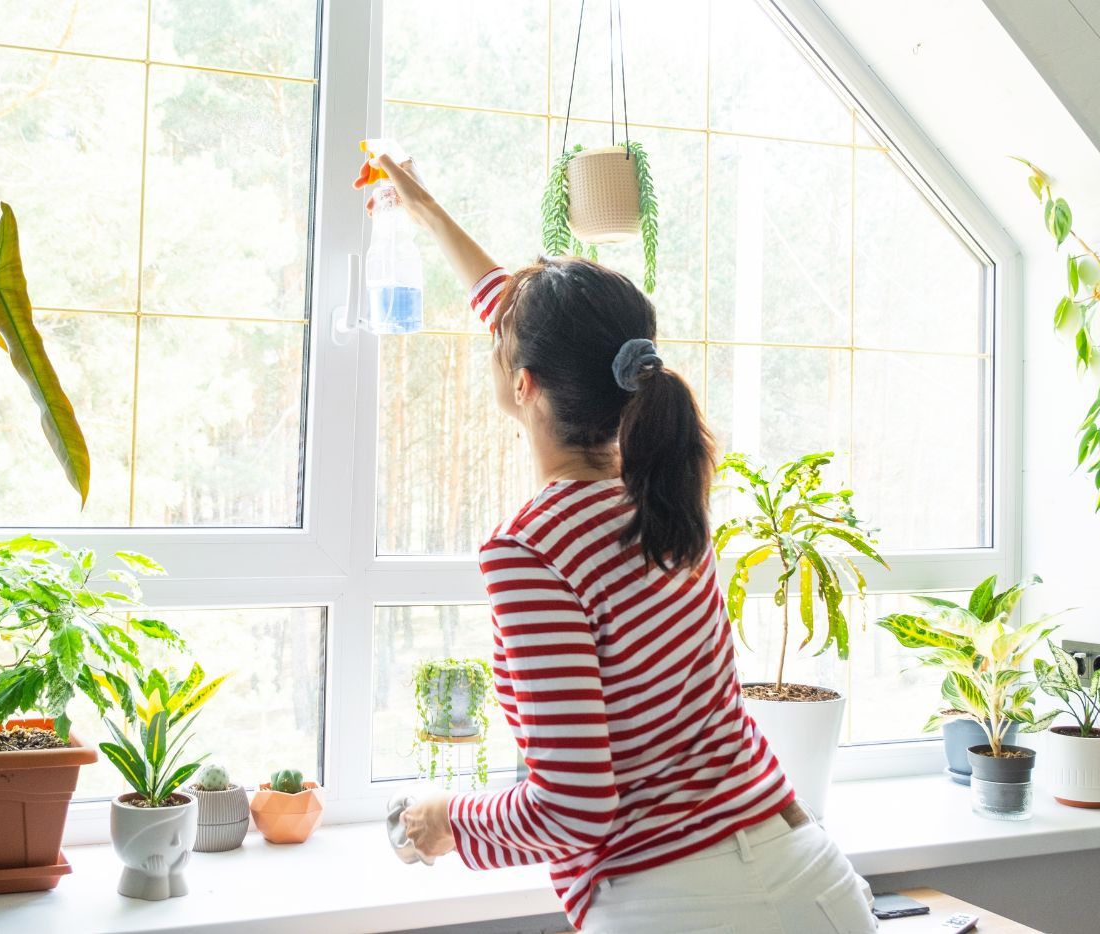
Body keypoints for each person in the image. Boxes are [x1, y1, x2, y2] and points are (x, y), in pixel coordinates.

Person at [355, 153, 877, 934]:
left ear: (524, 384)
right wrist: (425, 212)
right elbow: (528, 323)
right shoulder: (665, 489)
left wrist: (449, 821)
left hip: (685, 908)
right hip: (816, 881)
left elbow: (575, 810)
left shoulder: (531, 550)